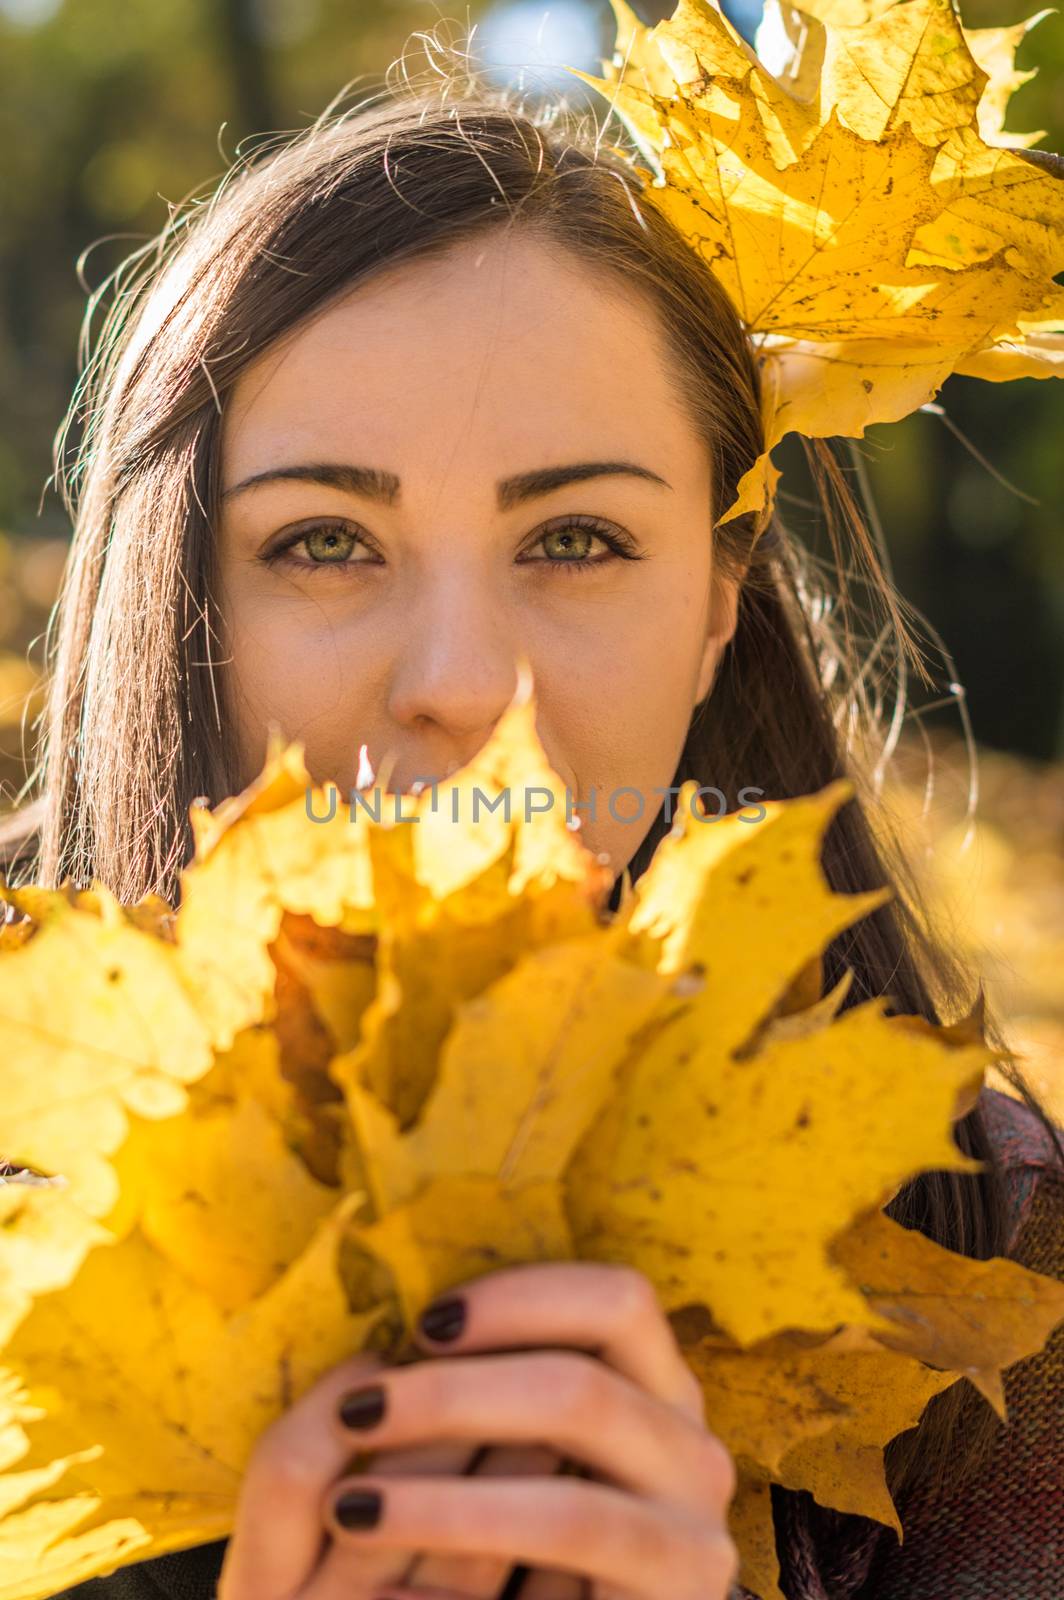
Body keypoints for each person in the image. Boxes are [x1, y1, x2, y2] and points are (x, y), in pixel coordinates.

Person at [0, 31, 1060, 1600]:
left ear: (717, 605)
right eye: (322, 543)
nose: (463, 684)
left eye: (575, 537)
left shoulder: (995, 1269)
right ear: (179, 605)